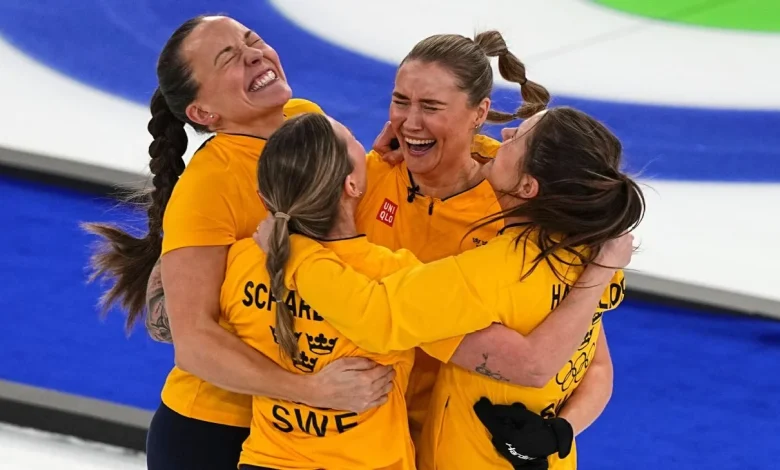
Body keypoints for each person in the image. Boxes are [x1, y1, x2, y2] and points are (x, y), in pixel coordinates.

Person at [255, 105, 645, 470]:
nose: (504, 130)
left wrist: (295, 250)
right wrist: (563, 431)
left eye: (517, 137)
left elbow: (375, 317)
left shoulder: (487, 274)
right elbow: (597, 365)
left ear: (528, 187)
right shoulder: (590, 252)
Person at [83, 15, 393, 470]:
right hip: (215, 433)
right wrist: (312, 390)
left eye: (253, 40)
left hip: (299, 429)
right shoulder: (209, 186)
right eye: (228, 57)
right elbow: (194, 343)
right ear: (204, 113)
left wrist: (384, 165)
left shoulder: (305, 119)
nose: (254, 54)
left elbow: (346, 225)